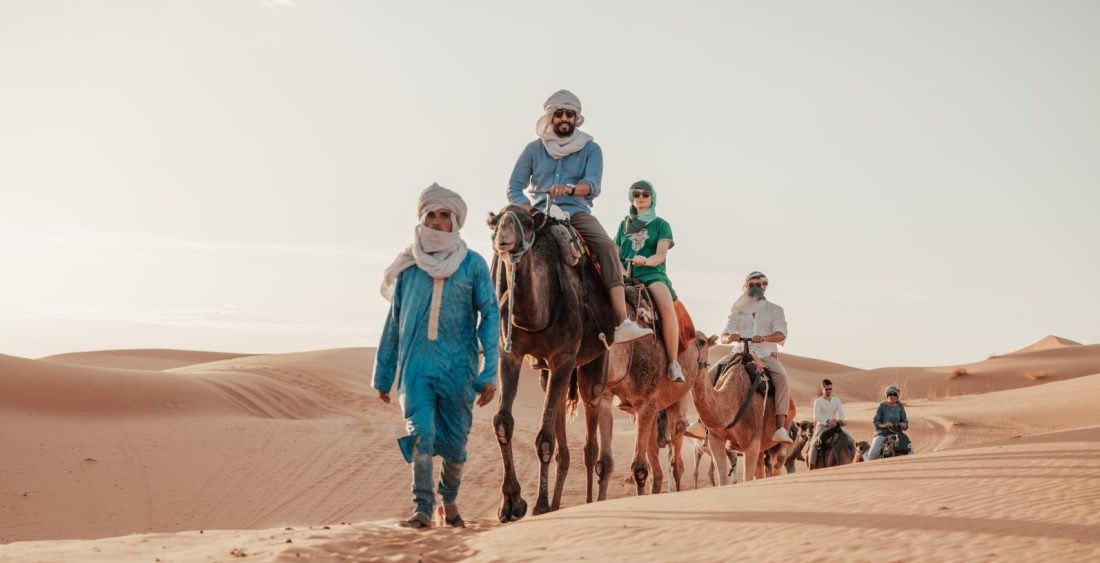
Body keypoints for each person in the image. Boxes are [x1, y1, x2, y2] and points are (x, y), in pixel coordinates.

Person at [374, 183, 499, 529]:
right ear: (423, 219)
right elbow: (394, 321)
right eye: (432, 215)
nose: (438, 221)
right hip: (416, 368)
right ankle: (422, 509)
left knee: (457, 447)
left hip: (460, 370)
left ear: (456, 221)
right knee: (421, 434)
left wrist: (490, 373)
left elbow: (490, 316)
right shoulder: (408, 267)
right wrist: (383, 375)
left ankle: (449, 500)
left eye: (445, 215)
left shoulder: (473, 265)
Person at [507, 89, 651, 344]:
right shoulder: (533, 149)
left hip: (575, 213)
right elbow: (514, 188)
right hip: (539, 213)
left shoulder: (590, 148)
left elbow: (592, 184)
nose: (564, 118)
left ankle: (621, 320)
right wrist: (528, 210)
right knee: (506, 242)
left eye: (569, 114)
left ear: (577, 118)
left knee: (607, 247)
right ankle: (497, 318)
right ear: (551, 117)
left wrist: (571, 189)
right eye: (559, 113)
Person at [615, 180, 684, 382]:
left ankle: (673, 363)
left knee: (666, 307)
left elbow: (661, 255)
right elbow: (616, 253)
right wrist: (621, 272)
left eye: (645, 194)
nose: (641, 198)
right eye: (636, 194)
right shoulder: (623, 224)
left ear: (652, 197)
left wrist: (646, 261)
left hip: (652, 274)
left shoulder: (661, 224)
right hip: (625, 275)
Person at [714, 271, 793, 443]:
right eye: (752, 284)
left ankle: (780, 428)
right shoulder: (737, 311)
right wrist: (730, 337)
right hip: (740, 352)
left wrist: (765, 338)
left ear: (765, 287)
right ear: (745, 287)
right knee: (710, 374)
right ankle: (704, 423)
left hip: (765, 355)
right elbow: (724, 334)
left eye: (759, 284)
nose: (756, 287)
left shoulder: (775, 310)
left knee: (782, 380)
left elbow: (781, 334)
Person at [863, 385, 910, 461]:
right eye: (890, 394)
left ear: (897, 396)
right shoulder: (882, 406)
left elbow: (904, 420)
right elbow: (875, 422)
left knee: (910, 450)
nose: (892, 396)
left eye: (894, 394)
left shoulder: (900, 407)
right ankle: (865, 456)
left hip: (897, 434)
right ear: (887, 395)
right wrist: (884, 425)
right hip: (882, 434)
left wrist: (904, 425)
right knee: (872, 456)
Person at [808, 378, 846, 467]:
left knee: (849, 440)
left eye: (830, 389)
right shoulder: (818, 402)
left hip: (834, 426)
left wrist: (839, 420)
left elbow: (841, 414)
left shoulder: (836, 400)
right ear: (822, 389)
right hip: (822, 426)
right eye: (827, 389)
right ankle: (811, 466)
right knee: (814, 443)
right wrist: (827, 422)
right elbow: (816, 416)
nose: (829, 391)